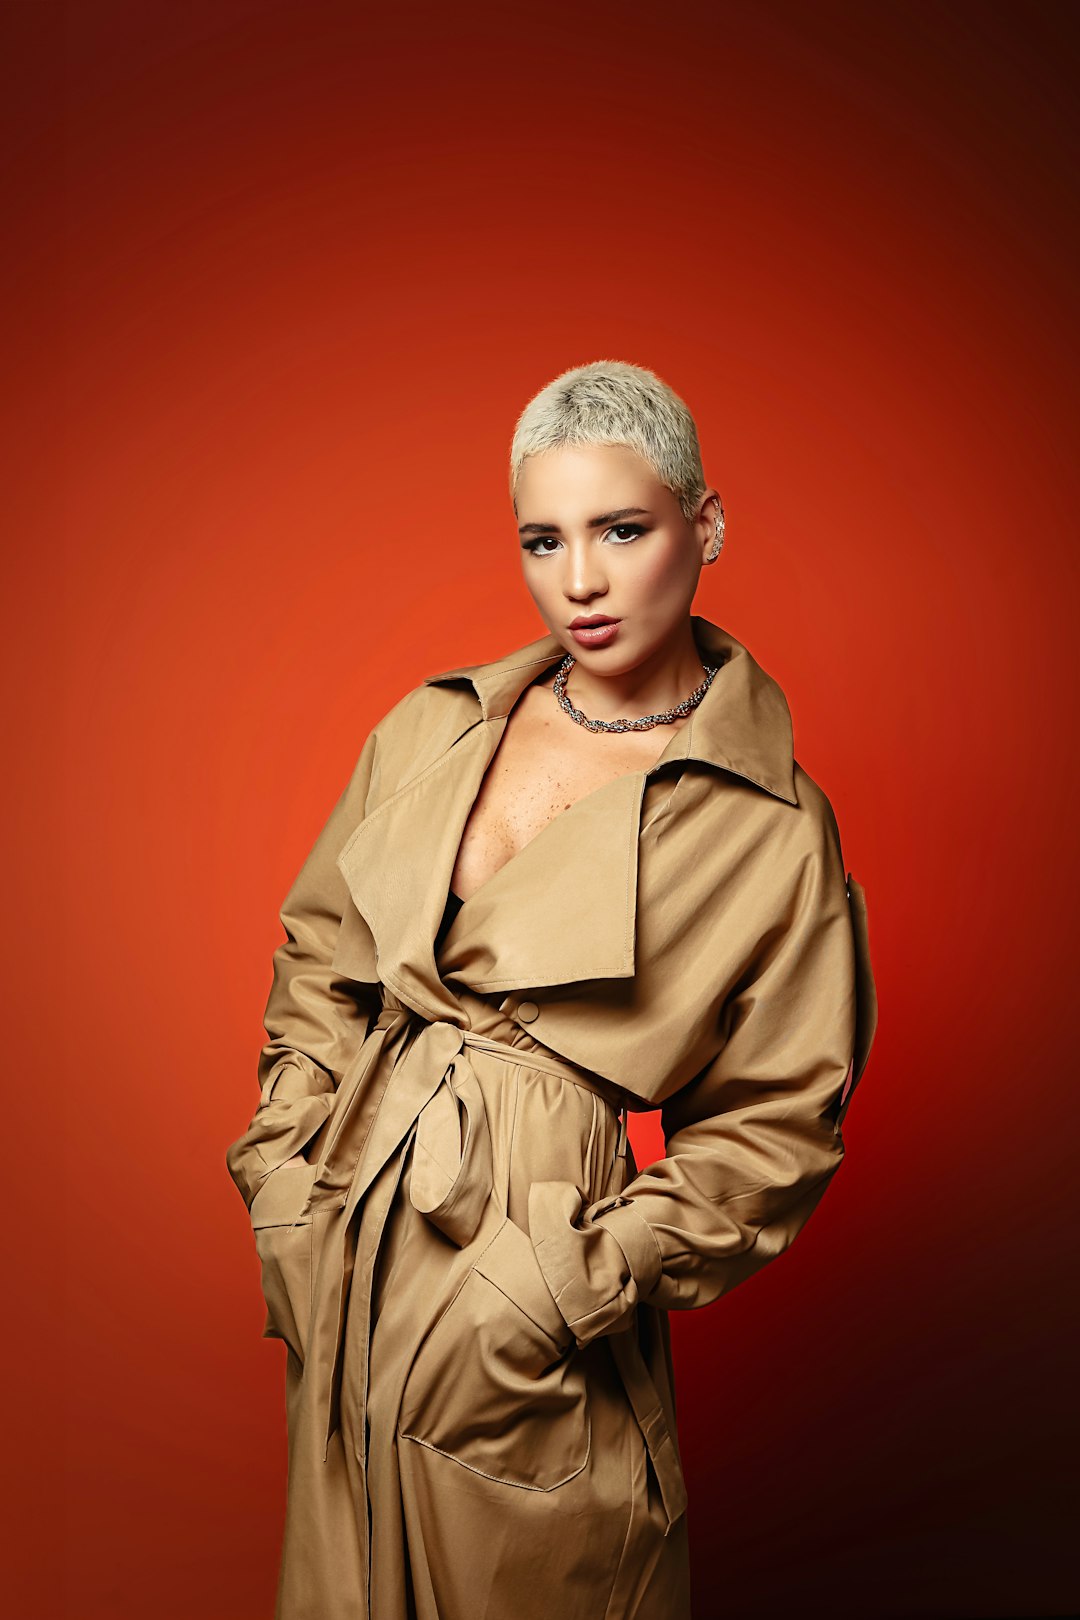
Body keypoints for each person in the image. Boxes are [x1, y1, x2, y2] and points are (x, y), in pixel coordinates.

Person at [225, 359, 879, 1620]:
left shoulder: (773, 826)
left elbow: (776, 1126)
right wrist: (285, 1182)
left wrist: (567, 1284)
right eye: (544, 539)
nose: (579, 580)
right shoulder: (434, 728)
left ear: (706, 525)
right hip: (351, 1254)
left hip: (534, 1296)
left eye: (621, 530)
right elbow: (322, 959)